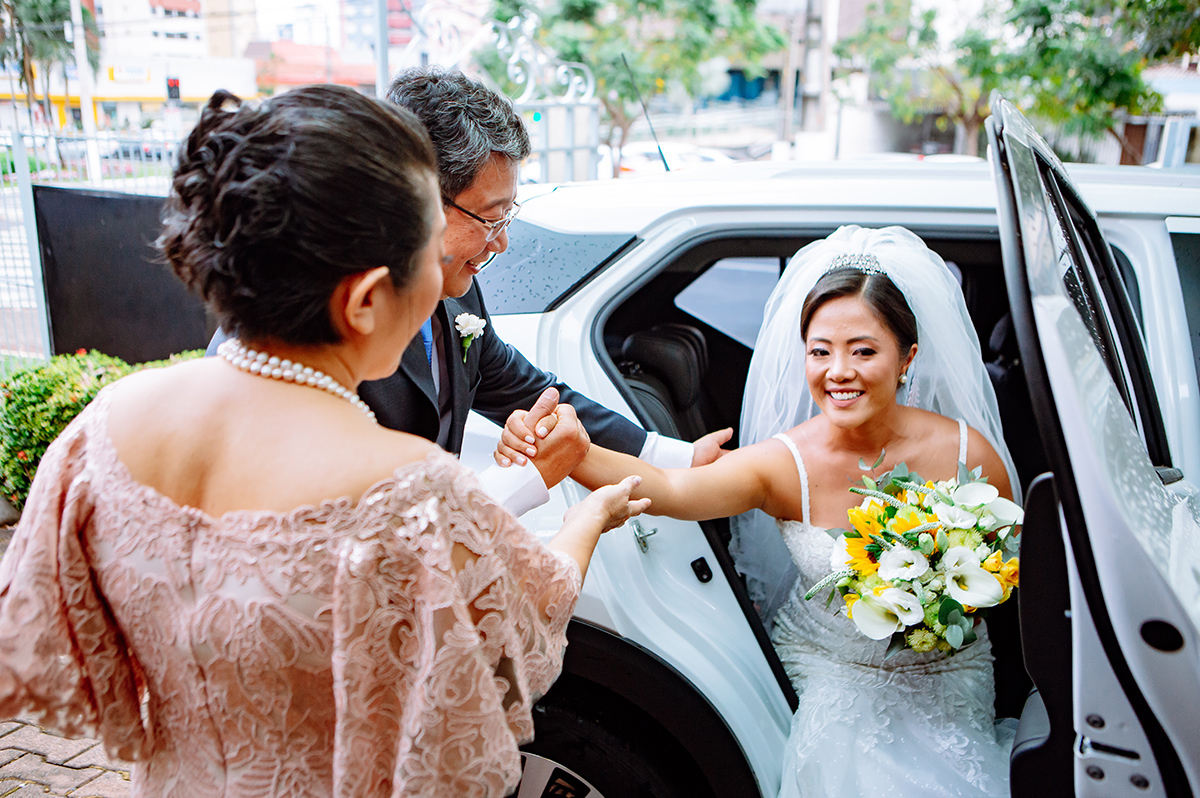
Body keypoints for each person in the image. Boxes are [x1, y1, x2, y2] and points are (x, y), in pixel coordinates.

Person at [0, 87, 649, 798]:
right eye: (426, 258)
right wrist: (590, 518)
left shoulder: (104, 427)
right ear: (365, 300)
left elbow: (45, 633)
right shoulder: (407, 489)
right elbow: (517, 637)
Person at [510, 226, 1021, 797]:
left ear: (907, 359)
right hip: (836, 673)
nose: (839, 371)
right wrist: (570, 450)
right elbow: (671, 488)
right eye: (820, 351)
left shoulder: (966, 454)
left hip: (948, 673)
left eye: (863, 351)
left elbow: (1007, 574)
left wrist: (942, 604)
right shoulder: (788, 462)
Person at [207, 67, 731, 517]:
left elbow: (527, 388)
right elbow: (378, 551)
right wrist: (532, 483)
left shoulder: (457, 294)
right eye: (491, 217)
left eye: (509, 215)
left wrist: (674, 456)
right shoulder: (287, 345)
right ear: (415, 199)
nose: (502, 242)